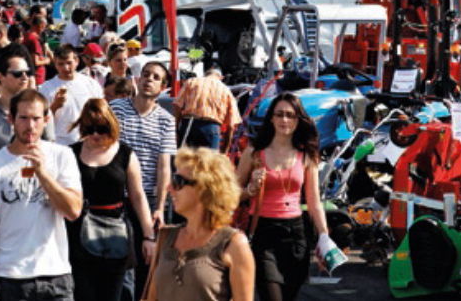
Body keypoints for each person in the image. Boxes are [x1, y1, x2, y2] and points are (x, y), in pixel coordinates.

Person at [0, 89, 82, 301]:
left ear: (46, 120)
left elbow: (73, 210)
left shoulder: (62, 156)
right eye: (23, 118)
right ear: (10, 119)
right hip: (8, 275)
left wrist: (43, 173)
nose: (30, 126)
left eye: (36, 119)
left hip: (55, 274)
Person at [236, 93, 329, 301]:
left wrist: (324, 236)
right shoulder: (253, 154)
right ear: (271, 118)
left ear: (298, 120)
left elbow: (314, 202)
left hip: (296, 234)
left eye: (290, 115)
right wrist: (250, 190)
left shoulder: (306, 155)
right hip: (262, 232)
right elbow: (230, 195)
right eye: (280, 114)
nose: (285, 120)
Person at [66, 99, 155, 301]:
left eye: (102, 128)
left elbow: (138, 196)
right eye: (90, 128)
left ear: (111, 125)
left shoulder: (125, 153)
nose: (96, 134)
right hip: (78, 233)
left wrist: (149, 236)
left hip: (117, 232)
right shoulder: (71, 153)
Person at [145, 147, 255, 301]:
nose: (169, 188)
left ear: (205, 188)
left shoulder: (233, 244)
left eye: (177, 182)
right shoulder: (165, 236)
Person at [110, 62, 176, 298]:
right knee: (120, 261)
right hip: (117, 195)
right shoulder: (116, 108)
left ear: (162, 86)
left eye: (156, 77)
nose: (149, 79)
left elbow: (164, 166)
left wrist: (159, 207)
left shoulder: (166, 120)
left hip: (147, 198)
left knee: (146, 260)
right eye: (145, 74)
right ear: (137, 80)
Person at [39, 44, 103, 146]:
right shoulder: (45, 88)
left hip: (87, 141)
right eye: (60, 64)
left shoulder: (91, 84)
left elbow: (101, 112)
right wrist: (55, 106)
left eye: (69, 63)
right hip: (59, 143)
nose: (65, 68)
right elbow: (40, 120)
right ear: (54, 63)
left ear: (76, 61)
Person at [173, 69, 241, 151]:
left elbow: (177, 106)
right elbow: (231, 125)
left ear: (205, 74)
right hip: (211, 128)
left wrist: (175, 129)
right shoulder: (225, 90)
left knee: (185, 160)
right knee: (209, 162)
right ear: (221, 78)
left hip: (189, 125)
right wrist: (225, 149)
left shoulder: (191, 82)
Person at [23, 14, 50, 85]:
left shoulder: (27, 35)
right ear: (40, 25)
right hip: (36, 77)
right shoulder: (33, 40)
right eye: (44, 27)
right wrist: (47, 61)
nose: (43, 29)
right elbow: (35, 62)